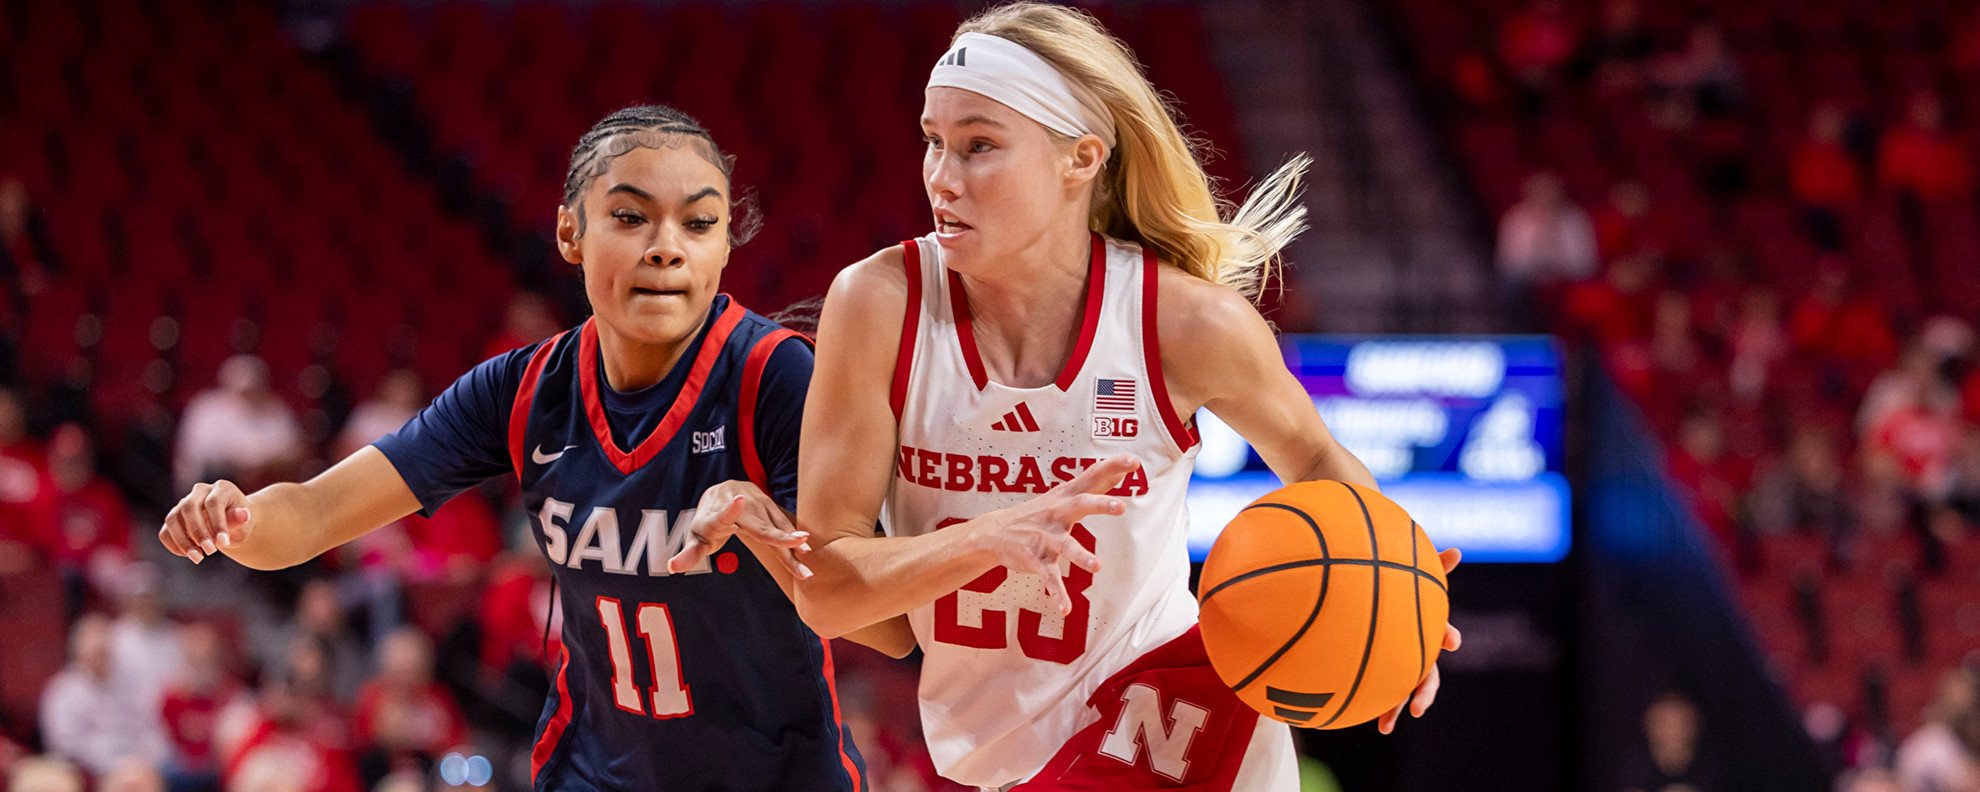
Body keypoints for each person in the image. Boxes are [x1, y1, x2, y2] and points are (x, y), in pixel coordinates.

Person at [793, 5, 1461, 788]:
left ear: (1080, 159)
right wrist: (988, 540)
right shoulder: (878, 304)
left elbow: (1313, 456)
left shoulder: (1184, 321)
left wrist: (1391, 600)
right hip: (1008, 764)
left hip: (1179, 730)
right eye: (933, 141)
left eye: (979, 146)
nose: (941, 176)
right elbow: (828, 593)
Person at [158, 104, 909, 791]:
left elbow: (886, 628)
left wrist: (762, 524)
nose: (666, 249)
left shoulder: (774, 376)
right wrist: (239, 521)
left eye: (699, 223)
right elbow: (317, 515)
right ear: (570, 233)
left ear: (722, 249)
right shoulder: (522, 389)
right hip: (594, 772)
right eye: (630, 217)